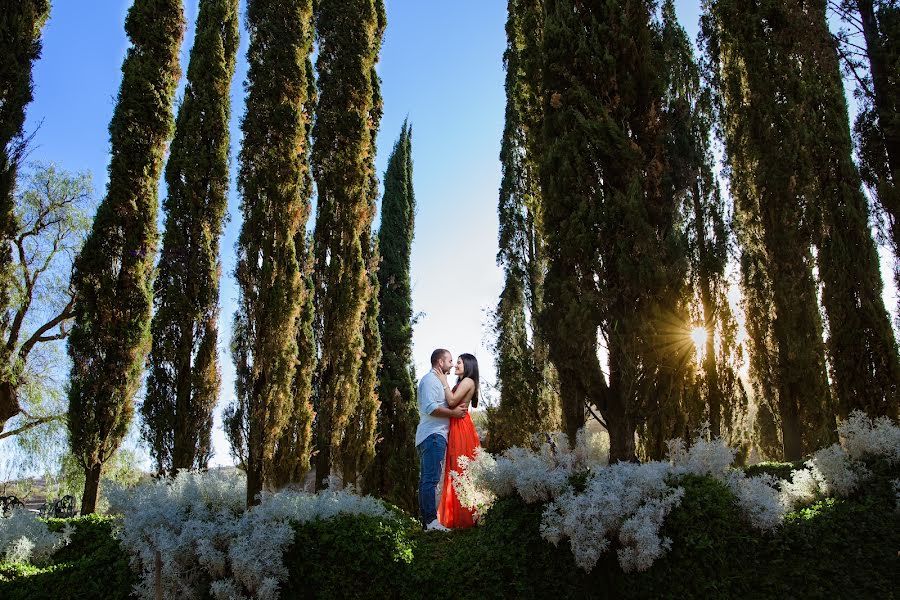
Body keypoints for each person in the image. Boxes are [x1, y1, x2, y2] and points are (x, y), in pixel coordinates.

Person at [416, 348, 466, 531]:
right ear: (440, 362)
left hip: (432, 436)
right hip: (433, 435)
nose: (452, 364)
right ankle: (430, 522)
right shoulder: (430, 380)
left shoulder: (436, 380)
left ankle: (428, 522)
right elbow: (430, 408)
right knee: (430, 479)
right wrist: (453, 413)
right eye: (450, 361)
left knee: (427, 480)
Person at [436, 353, 481, 529]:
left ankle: (466, 518)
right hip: (455, 425)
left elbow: (453, 401)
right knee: (454, 468)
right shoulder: (461, 382)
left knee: (461, 469)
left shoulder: (468, 381)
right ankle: (456, 517)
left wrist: (443, 381)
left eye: (459, 363)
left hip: (462, 427)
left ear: (468, 365)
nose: (455, 365)